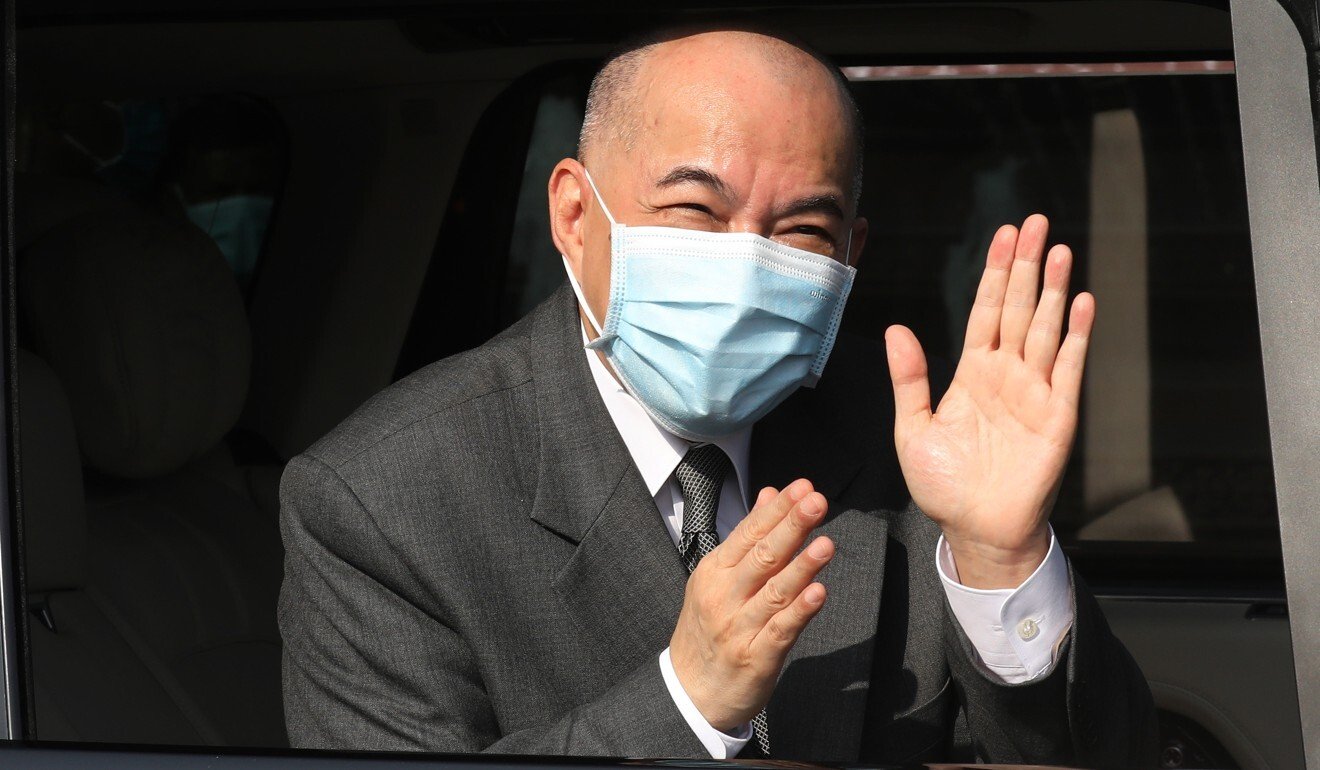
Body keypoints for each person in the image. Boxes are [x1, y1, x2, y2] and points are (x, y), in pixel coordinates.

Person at [278, 25, 1156, 766]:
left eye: (801, 229)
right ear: (576, 219)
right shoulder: (381, 498)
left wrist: (1001, 561)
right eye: (696, 211)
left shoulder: (910, 437)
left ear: (848, 258)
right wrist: (685, 700)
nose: (745, 265)